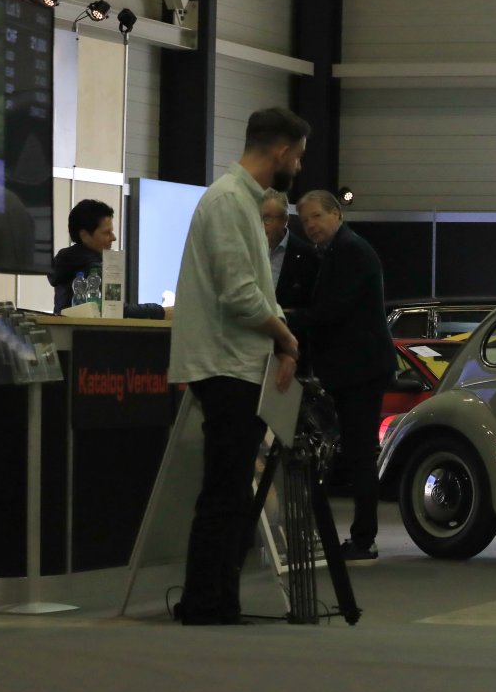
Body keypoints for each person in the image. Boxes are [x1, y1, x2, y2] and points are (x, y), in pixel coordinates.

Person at [168, 106, 308, 625]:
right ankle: (205, 602)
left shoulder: (244, 202)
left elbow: (255, 293)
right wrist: (286, 337)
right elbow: (240, 295)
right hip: (226, 365)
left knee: (229, 491)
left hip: (239, 363)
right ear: (281, 151)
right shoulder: (228, 201)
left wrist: (281, 344)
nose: (298, 166)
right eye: (298, 156)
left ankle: (217, 599)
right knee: (224, 491)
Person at [288, 189, 394, 564]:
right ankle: (361, 536)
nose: (311, 226)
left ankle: (364, 539)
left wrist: (282, 318)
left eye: (317, 216)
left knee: (360, 454)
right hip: (354, 368)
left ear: (336, 214)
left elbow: (332, 311)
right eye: (305, 220)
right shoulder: (337, 250)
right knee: (355, 453)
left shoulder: (350, 251)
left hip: (361, 370)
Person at [48, 199, 168, 319]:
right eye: (106, 232)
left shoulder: (69, 261)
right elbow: (113, 310)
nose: (113, 237)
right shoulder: (92, 267)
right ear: (84, 235)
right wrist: (160, 312)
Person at [262, 189, 318, 310]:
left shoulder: (309, 256)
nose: (260, 225)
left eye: (267, 219)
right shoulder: (244, 249)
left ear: (285, 220)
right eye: (257, 218)